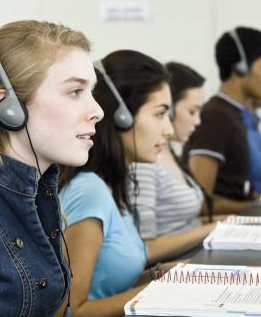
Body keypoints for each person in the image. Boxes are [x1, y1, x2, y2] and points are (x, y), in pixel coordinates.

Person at [0, 20, 103, 316]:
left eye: (91, 91)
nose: (98, 111)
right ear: (10, 108)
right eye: (75, 92)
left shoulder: (38, 189)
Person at [58, 49, 175, 317]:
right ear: (122, 117)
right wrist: (160, 289)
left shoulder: (110, 187)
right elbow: (71, 310)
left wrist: (157, 276)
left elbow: (109, 286)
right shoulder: (90, 190)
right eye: (159, 114)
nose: (169, 130)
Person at [183, 26, 261, 214]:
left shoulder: (235, 113)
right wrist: (258, 206)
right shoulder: (217, 118)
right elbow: (201, 203)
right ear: (239, 69)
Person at [129, 62, 216, 263]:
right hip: (174, 266)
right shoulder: (145, 163)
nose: (198, 121)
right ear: (170, 111)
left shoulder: (169, 152)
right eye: (192, 111)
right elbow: (145, 247)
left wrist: (219, 223)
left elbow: (183, 224)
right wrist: (213, 228)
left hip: (192, 256)